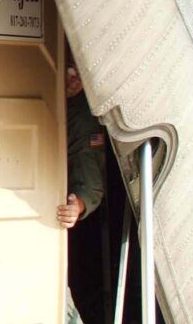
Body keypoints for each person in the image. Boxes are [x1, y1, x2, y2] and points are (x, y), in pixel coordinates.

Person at [59, 57, 106, 324]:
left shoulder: (80, 115)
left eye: (77, 70)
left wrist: (78, 206)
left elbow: (91, 181)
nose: (72, 76)